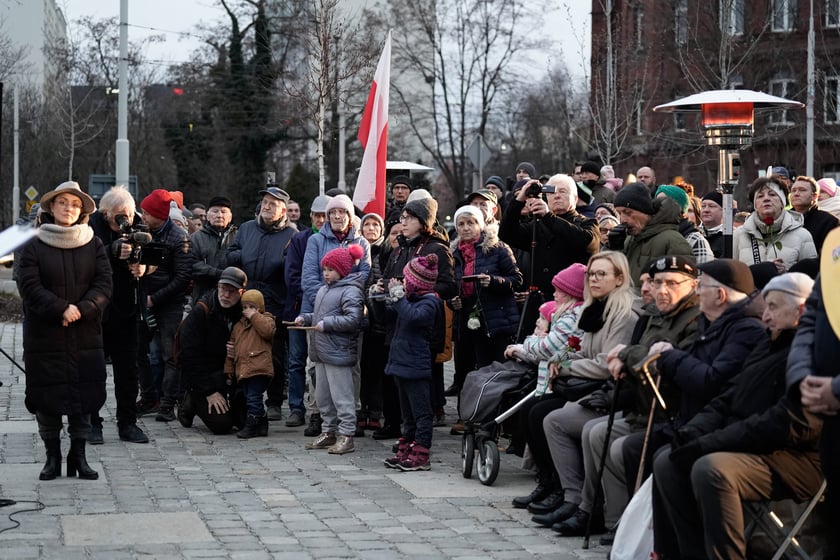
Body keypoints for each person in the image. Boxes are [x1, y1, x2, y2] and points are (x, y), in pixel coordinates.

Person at [653, 272, 818, 560]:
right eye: (765, 306)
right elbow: (728, 397)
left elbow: (787, 424)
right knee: (668, 459)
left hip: (794, 458)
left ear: (801, 311)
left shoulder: (813, 354)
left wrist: (711, 442)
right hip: (751, 445)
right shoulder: (768, 343)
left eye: (774, 307)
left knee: (712, 468)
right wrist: (693, 432)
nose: (765, 316)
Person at [564, 256, 700, 541]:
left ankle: (629, 520)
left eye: (671, 283)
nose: (661, 289)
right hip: (639, 404)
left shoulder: (694, 319)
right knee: (596, 433)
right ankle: (613, 519)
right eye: (657, 282)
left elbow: (659, 364)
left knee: (615, 445)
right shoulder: (655, 315)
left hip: (667, 411)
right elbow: (643, 353)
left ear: (692, 286)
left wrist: (626, 356)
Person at [619, 259, 767, 491]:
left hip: (717, 424)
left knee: (661, 458)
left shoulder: (746, 330)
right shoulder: (709, 322)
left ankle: (670, 525)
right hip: (688, 418)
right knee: (634, 448)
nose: (697, 292)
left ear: (720, 296)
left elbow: (711, 382)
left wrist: (671, 356)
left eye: (702, 287)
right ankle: (645, 523)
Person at [517, 252, 641, 527]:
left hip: (610, 392)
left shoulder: (623, 314)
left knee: (553, 419)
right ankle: (566, 493)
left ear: (619, 278)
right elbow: (582, 351)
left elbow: (606, 362)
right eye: (591, 274)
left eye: (602, 274)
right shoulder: (594, 308)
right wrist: (561, 360)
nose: (594, 280)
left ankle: (580, 501)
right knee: (538, 413)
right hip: (588, 387)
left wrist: (566, 367)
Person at [17, 181, 112, 480]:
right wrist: (61, 308)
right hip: (46, 334)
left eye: (74, 203)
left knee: (83, 396)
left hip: (84, 333)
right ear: (51, 207)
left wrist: (82, 309)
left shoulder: (94, 243)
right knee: (47, 397)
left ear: (82, 210)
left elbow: (104, 285)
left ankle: (78, 456)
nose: (68, 208)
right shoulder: (33, 244)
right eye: (62, 203)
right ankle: (52, 457)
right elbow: (29, 285)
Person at [372, 196, 456, 440]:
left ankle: (421, 437)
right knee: (396, 382)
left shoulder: (437, 249)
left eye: (409, 218)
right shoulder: (401, 248)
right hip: (397, 324)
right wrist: (383, 285)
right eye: (402, 218)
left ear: (423, 221)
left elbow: (449, 286)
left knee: (418, 387)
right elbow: (390, 276)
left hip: (423, 325)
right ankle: (399, 428)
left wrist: (413, 291)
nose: (404, 222)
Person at [227, 186, 298, 420]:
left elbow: (294, 269)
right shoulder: (247, 228)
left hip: (274, 301)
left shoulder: (292, 235)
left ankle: (275, 401)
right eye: (265, 202)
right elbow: (232, 252)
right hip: (245, 298)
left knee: (274, 353)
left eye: (273, 204)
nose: (267, 207)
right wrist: (242, 257)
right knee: (242, 347)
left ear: (283, 210)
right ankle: (243, 398)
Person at [87, 185, 149, 445]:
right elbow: (85, 259)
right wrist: (114, 251)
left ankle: (128, 422)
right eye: (119, 215)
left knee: (128, 370)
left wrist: (144, 266)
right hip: (96, 312)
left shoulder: (140, 227)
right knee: (93, 370)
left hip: (127, 309)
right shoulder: (89, 227)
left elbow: (155, 257)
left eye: (130, 214)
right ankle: (92, 423)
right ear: (104, 213)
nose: (126, 220)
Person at [787, 269, 840, 558]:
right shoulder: (837, 251)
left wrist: (837, 388)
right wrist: (801, 378)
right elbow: (812, 317)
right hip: (830, 418)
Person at [298, 245, 366, 455]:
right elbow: (319, 316)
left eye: (330, 269)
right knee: (323, 396)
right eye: (324, 269)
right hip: (321, 352)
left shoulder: (351, 290)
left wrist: (327, 324)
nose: (325, 273)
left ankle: (346, 435)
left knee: (342, 396)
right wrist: (306, 318)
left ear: (343, 269)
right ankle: (328, 432)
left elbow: (354, 319)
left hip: (338, 353)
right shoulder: (323, 289)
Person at [447, 205, 522, 395]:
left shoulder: (497, 248)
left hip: (496, 317)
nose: (466, 228)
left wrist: (493, 281)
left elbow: (516, 279)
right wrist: (452, 301)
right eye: (461, 224)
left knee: (496, 370)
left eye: (471, 223)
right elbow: (450, 286)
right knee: (472, 369)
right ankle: (472, 414)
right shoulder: (454, 254)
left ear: (480, 224)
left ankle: (497, 416)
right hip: (467, 318)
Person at [136, 189, 194, 422]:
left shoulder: (179, 238)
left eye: (146, 213)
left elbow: (182, 277)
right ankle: (149, 397)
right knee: (140, 352)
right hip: (142, 300)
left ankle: (168, 403)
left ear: (158, 215)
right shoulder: (141, 233)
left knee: (170, 355)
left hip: (168, 304)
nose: (142, 216)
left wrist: (155, 298)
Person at [382, 253, 443, 471]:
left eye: (407, 279)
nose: (403, 282)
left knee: (421, 413)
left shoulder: (430, 302)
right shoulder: (410, 300)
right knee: (406, 413)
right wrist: (378, 298)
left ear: (417, 283)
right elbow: (389, 315)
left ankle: (421, 452)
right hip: (400, 363)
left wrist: (398, 297)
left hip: (416, 365)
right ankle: (406, 446)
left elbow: (413, 317)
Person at [499, 173, 600, 300]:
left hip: (574, 299)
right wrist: (520, 199)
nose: (557, 196)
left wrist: (548, 217)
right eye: (552, 192)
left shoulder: (587, 223)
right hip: (542, 301)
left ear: (575, 198)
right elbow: (506, 233)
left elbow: (586, 242)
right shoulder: (537, 226)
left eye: (563, 191)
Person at [177, 267, 248, 435]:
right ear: (218, 286)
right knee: (222, 424)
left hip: (231, 374)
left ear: (242, 292)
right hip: (204, 376)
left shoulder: (245, 311)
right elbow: (188, 357)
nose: (226, 295)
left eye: (232, 291)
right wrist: (208, 391)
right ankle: (191, 400)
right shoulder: (202, 311)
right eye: (223, 289)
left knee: (244, 422)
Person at [283, 195, 331, 431]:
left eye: (325, 215)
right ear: (310, 216)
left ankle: (320, 409)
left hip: (328, 309)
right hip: (299, 307)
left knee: (319, 362)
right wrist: (314, 295)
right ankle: (295, 407)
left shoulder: (336, 241)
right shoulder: (300, 239)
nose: (321, 220)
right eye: (317, 215)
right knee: (296, 360)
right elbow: (293, 276)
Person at [612, 182, 694, 283]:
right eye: (619, 213)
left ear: (644, 211)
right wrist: (613, 249)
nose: (622, 220)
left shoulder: (673, 241)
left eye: (628, 212)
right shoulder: (628, 239)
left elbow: (683, 285)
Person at [732, 175, 817, 273]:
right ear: (755, 205)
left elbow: (810, 277)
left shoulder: (802, 235)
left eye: (772, 194)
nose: (766, 199)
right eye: (760, 196)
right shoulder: (739, 235)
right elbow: (732, 276)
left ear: (782, 202)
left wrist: (787, 272)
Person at [225, 289, 276, 439]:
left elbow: (267, 331)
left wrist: (255, 316)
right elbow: (231, 348)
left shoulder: (266, 320)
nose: (247, 311)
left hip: (259, 367)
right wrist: (229, 369)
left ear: (259, 308)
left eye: (251, 307)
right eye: (245, 307)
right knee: (250, 397)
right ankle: (261, 422)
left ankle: (252, 424)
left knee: (254, 397)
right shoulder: (238, 326)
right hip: (244, 368)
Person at [358, 211, 386, 431]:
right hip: (358, 316)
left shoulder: (385, 252)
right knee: (360, 367)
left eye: (375, 225)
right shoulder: (355, 251)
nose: (371, 228)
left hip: (378, 317)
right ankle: (360, 410)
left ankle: (375, 411)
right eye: (366, 224)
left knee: (376, 368)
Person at [190, 196, 237, 302]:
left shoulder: (239, 237)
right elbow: (192, 264)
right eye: (215, 211)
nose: (219, 215)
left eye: (224, 212)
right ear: (207, 215)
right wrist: (216, 273)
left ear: (230, 216)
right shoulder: (196, 238)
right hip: (202, 296)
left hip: (230, 296)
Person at [654, 185, 714, 264]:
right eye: (656, 201)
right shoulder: (650, 234)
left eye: (663, 202)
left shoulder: (694, 240)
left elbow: (704, 274)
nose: (658, 206)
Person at [788, 175, 839, 254]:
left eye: (802, 190)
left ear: (814, 196)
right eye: (793, 190)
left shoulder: (829, 222)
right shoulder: (783, 219)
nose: (796, 194)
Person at [699, 191, 725, 258]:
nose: (706, 210)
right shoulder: (694, 234)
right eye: (703, 206)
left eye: (712, 206)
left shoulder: (730, 237)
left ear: (723, 210)